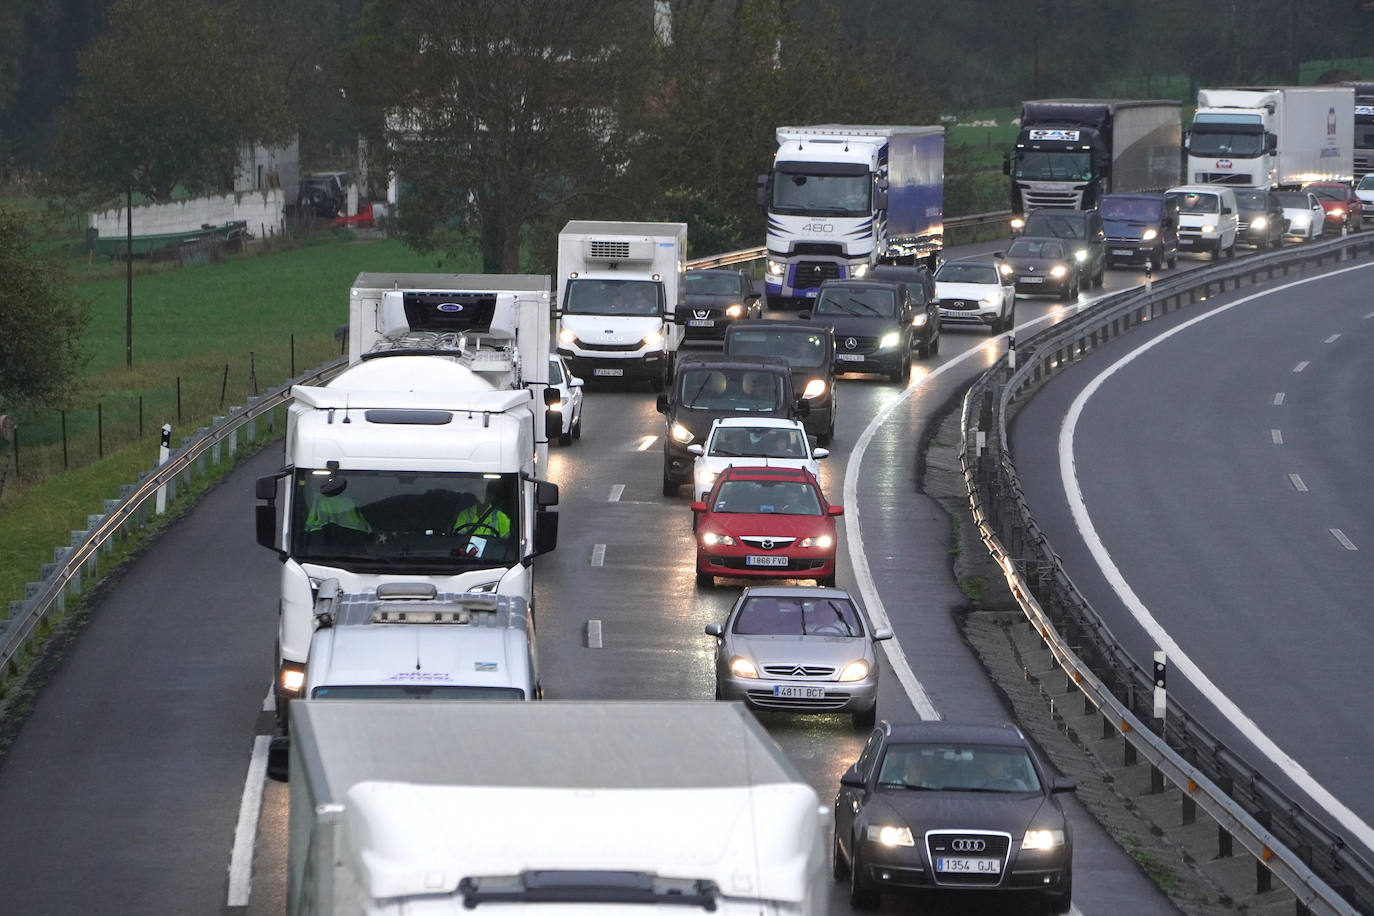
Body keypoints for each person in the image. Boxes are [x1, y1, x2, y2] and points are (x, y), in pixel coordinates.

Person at [304, 486, 371, 534]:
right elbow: (364, 527)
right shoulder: (350, 501)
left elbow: (310, 524)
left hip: (322, 536)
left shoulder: (320, 501)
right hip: (351, 536)